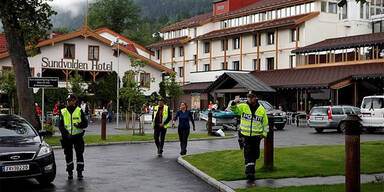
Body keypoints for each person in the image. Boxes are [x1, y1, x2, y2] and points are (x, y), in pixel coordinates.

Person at [231, 90, 269, 182]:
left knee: (255, 154)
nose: (249, 98)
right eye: (248, 97)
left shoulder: (261, 109)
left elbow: (265, 123)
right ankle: (250, 173)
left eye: (251, 97)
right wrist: (233, 103)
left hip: (256, 137)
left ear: (256, 97)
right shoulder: (243, 106)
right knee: (248, 153)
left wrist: (264, 134)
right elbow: (234, 110)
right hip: (245, 135)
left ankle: (250, 170)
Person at [59, 94, 88, 180]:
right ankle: (70, 172)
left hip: (78, 137)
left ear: (74, 101)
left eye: (70, 100)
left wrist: (78, 125)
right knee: (68, 155)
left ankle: (79, 172)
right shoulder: (63, 111)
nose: (68, 102)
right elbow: (60, 126)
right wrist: (66, 134)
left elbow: (85, 124)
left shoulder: (79, 110)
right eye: (67, 100)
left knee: (79, 154)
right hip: (67, 137)